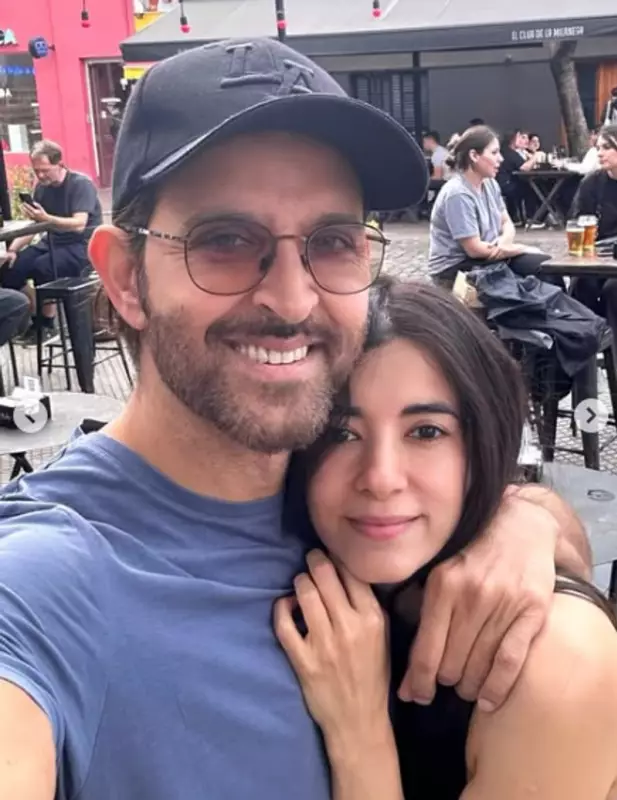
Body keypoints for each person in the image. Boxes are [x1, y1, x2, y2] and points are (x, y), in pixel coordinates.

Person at [0, 38, 590, 799]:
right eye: (225, 241)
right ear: (125, 277)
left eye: (332, 242)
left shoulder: (345, 500)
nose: (291, 298)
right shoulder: (43, 587)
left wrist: (521, 519)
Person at [275, 279, 617, 800]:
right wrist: (531, 513)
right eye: (340, 433)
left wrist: (360, 735)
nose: (381, 478)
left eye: (426, 431)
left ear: (482, 445)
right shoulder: (302, 558)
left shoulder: (556, 661)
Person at [1, 140, 102, 341]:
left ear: (60, 164)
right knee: (12, 268)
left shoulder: (80, 184)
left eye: (45, 170)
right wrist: (13, 250)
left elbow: (79, 224)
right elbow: (35, 227)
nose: (40, 175)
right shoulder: (41, 188)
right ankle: (29, 316)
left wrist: (46, 218)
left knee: (43, 267)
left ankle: (47, 324)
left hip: (82, 245)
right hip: (51, 243)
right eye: (36, 171)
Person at [428, 125, 550, 288]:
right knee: (534, 275)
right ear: (474, 155)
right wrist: (521, 249)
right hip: (456, 268)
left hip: (489, 257)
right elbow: (474, 249)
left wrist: (504, 243)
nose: (501, 158)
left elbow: (506, 223)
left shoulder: (490, 184)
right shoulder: (458, 193)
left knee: (546, 267)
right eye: (494, 153)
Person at [571, 124, 617, 335]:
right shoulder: (591, 183)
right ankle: (586, 344)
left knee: (613, 289)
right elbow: (577, 219)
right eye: (598, 147)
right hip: (598, 255)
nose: (599, 153)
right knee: (581, 284)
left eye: (606, 147)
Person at [497, 129, 541, 223]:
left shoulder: (508, 152)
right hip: (507, 185)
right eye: (521, 137)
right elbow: (524, 168)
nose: (525, 140)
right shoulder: (509, 153)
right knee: (533, 188)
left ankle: (525, 218)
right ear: (513, 138)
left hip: (506, 183)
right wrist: (536, 156)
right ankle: (532, 218)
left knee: (533, 186)